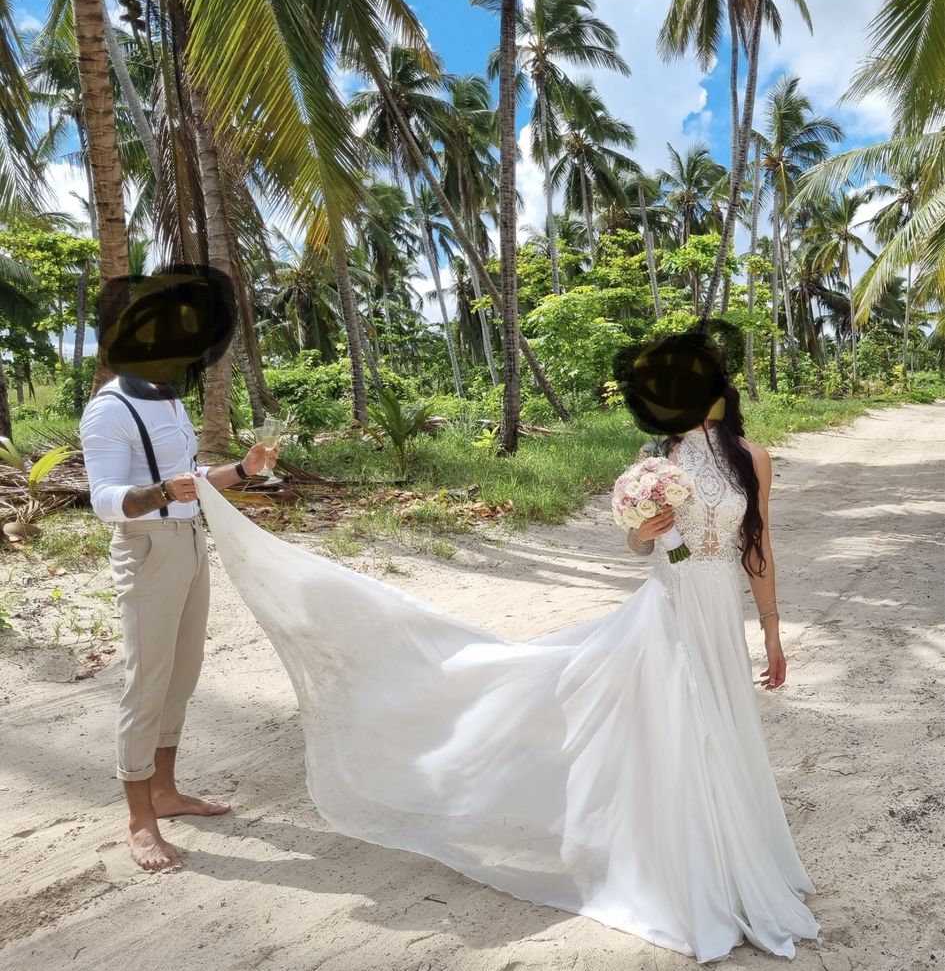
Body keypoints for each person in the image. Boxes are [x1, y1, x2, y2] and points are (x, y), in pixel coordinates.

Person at [193, 364, 819, 963]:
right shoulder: (658, 462)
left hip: (718, 614)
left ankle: (736, 866)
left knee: (722, 732)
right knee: (682, 734)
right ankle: (693, 877)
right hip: (670, 610)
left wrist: (771, 632)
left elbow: (757, 547)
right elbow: (639, 545)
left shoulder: (751, 458)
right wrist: (646, 529)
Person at [80, 374, 278, 871]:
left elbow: (192, 477)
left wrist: (242, 469)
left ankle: (165, 792)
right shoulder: (110, 408)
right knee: (147, 684)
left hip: (189, 538)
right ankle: (140, 821)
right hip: (146, 547)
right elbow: (103, 499)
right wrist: (162, 491)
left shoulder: (167, 398)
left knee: (181, 677)